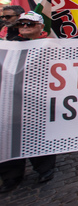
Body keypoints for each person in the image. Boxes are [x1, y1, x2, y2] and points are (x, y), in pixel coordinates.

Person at [0, 12, 55, 193]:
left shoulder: (51, 45)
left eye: (30, 23)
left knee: (38, 133)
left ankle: (44, 169)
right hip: (10, 99)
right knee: (9, 135)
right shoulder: (8, 45)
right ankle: (11, 176)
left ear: (40, 26)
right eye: (21, 23)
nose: (25, 26)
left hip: (38, 99)